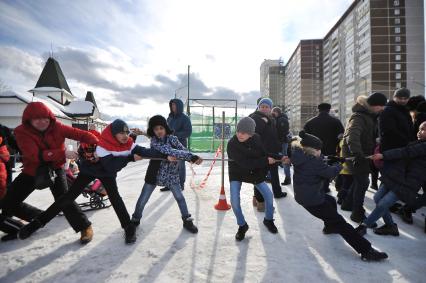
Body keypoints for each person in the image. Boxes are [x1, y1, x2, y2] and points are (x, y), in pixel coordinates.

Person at [18, 119, 164, 244]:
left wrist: (167, 154)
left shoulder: (125, 143)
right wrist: (130, 158)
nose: (125, 136)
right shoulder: (101, 145)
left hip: (107, 173)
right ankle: (38, 222)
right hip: (90, 170)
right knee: (68, 197)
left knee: (115, 198)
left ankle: (128, 227)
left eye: (126, 133)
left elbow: (139, 152)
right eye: (122, 133)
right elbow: (112, 163)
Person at [1, 102, 98, 244]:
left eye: (44, 118)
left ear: (50, 117)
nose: (42, 122)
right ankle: (35, 216)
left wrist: (96, 146)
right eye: (36, 119)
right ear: (29, 120)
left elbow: (81, 134)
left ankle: (85, 226)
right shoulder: (21, 131)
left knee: (64, 199)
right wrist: (63, 152)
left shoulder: (57, 127)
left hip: (56, 168)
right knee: (8, 200)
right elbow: (34, 155)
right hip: (32, 170)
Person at [290, 130, 388, 261]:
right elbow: (330, 173)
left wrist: (330, 158)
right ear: (312, 150)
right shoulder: (313, 162)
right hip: (313, 200)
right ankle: (366, 250)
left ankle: (330, 226)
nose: (321, 152)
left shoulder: (301, 155)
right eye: (319, 150)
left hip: (305, 196)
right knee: (342, 224)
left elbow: (318, 162)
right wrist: (339, 164)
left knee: (330, 200)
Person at [131, 115, 202, 234]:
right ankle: (135, 219)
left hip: (171, 174)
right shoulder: (154, 141)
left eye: (161, 128)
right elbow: (167, 150)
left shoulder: (173, 138)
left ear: (165, 128)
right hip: (155, 173)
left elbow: (182, 150)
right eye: (155, 129)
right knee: (143, 198)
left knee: (180, 198)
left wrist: (192, 157)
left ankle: (187, 220)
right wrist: (190, 156)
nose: (158, 131)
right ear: (153, 131)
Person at [355, 121, 426, 236]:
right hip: (397, 176)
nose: (419, 132)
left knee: (383, 203)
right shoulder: (417, 143)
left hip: (408, 183)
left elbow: (405, 152)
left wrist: (383, 155)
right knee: (377, 197)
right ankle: (390, 226)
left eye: (423, 130)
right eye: (419, 129)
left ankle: (364, 226)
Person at [227, 117, 281, 241]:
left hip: (253, 172)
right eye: (238, 131)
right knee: (234, 202)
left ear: (251, 134)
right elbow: (245, 163)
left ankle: (268, 220)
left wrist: (279, 157)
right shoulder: (232, 144)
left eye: (244, 132)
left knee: (268, 195)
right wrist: (265, 161)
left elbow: (263, 154)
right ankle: (242, 225)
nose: (240, 134)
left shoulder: (256, 138)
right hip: (237, 172)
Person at [341, 93, 387, 223]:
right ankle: (357, 213)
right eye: (380, 106)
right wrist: (358, 155)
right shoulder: (359, 117)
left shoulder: (369, 116)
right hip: (356, 155)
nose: (382, 109)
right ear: (372, 106)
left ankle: (347, 204)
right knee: (362, 182)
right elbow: (352, 137)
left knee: (358, 181)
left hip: (362, 154)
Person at [250, 98, 286, 212]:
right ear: (259, 107)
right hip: (261, 152)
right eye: (262, 106)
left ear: (271, 108)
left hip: (271, 151)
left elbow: (272, 135)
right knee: (259, 176)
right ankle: (260, 202)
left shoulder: (270, 118)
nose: (264, 108)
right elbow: (254, 134)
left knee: (267, 174)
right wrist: (262, 122)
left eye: (267, 107)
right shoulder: (255, 117)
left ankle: (258, 198)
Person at [304, 103, 344, 193]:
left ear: (318, 110)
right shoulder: (336, 121)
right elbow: (341, 137)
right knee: (327, 169)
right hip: (331, 150)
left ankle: (317, 186)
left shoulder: (310, 122)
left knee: (315, 168)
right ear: (329, 110)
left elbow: (305, 138)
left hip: (314, 151)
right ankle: (325, 186)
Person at [161, 98, 192, 192]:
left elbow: (188, 132)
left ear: (179, 106)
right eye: (171, 105)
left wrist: (174, 134)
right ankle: (168, 184)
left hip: (180, 145)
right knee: (168, 165)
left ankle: (181, 185)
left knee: (180, 165)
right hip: (169, 145)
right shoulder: (169, 117)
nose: (173, 107)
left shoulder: (185, 118)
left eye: (174, 105)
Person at [379, 87, 415, 153]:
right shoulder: (388, 110)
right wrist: (407, 142)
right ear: (394, 98)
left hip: (402, 148)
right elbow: (389, 131)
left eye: (405, 98)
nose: (403, 101)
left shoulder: (405, 111)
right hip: (391, 149)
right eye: (400, 98)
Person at [271, 107, 292, 185]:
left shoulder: (282, 119)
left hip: (282, 142)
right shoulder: (279, 119)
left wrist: (278, 140)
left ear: (277, 112)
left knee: (284, 159)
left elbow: (282, 132)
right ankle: (287, 178)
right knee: (282, 159)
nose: (272, 114)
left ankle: (288, 178)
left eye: (273, 112)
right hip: (281, 142)